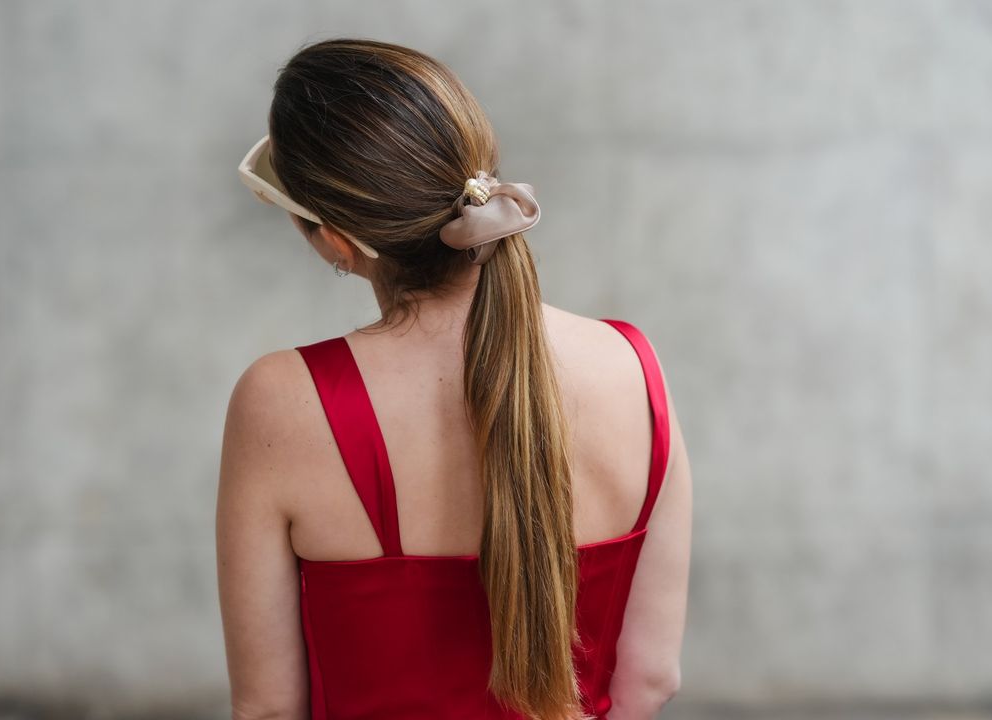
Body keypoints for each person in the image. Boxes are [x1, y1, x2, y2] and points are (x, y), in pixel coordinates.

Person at [218, 38, 692, 720]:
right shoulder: (633, 367)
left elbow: (267, 708)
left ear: (339, 243)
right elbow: (650, 679)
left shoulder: (282, 401)